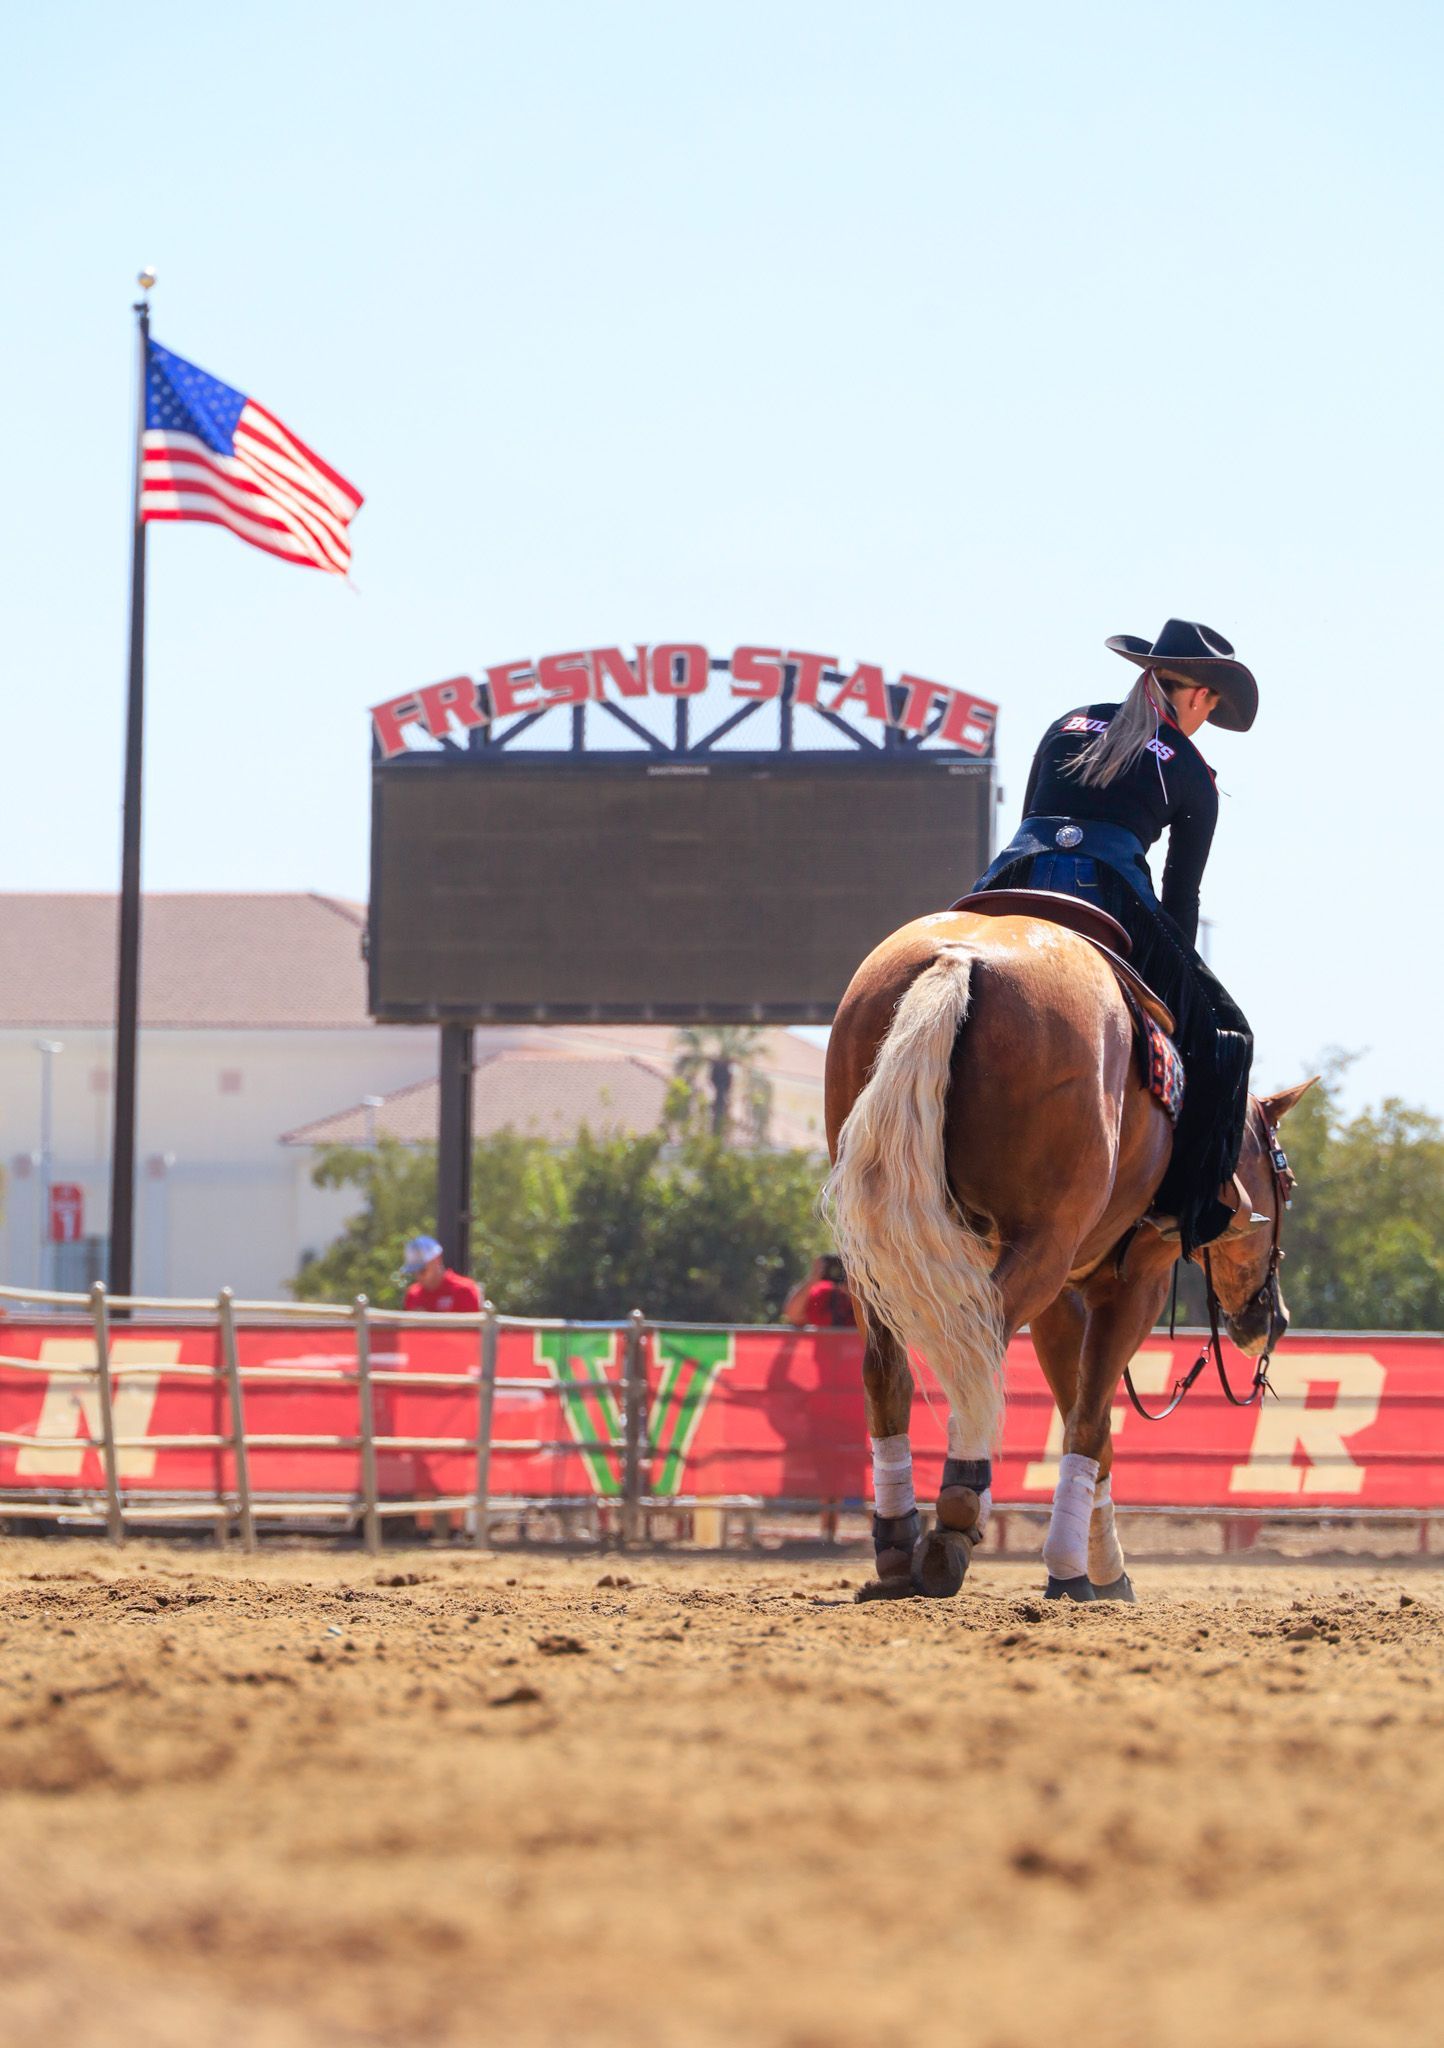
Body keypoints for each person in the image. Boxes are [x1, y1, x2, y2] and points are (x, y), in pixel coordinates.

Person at [972, 618, 1257, 1253]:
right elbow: (1181, 897)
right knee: (1227, 1036)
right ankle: (1181, 1205)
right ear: (1198, 696)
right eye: (1211, 703)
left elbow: (1030, 820)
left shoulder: (1066, 724)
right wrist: (1177, 974)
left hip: (1013, 875)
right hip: (1113, 893)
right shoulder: (1189, 766)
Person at [401, 1235, 482, 1314]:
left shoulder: (464, 1290)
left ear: (437, 1259)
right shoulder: (413, 1295)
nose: (418, 1276)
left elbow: (473, 1326)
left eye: (422, 1270)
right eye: (414, 1271)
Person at [782, 1254, 856, 1329]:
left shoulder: (867, 1296)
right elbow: (793, 1314)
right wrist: (813, 1278)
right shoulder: (826, 1294)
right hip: (829, 1340)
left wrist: (856, 1294)